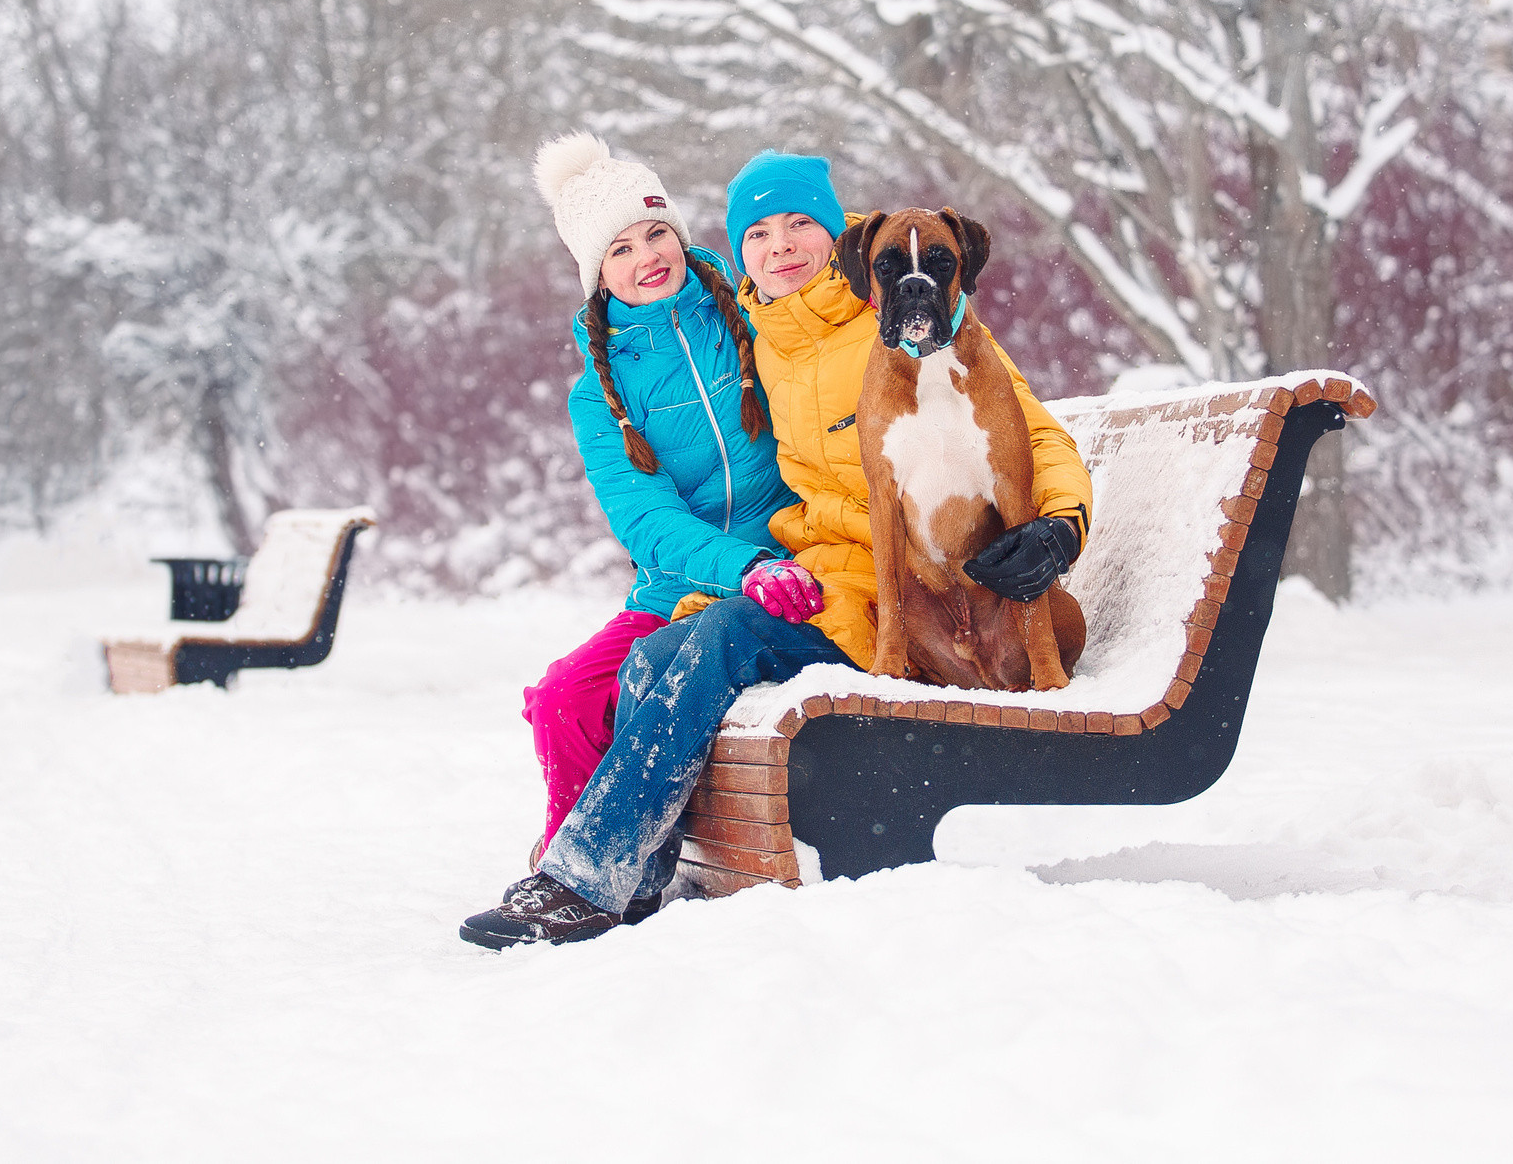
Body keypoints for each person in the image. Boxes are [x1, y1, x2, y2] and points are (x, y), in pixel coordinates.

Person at [460, 152, 1092, 949]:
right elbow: (650, 503)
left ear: (842, 236)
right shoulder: (760, 331)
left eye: (801, 223)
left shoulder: (899, 309)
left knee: (722, 640)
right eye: (757, 232)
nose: (782, 245)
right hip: (819, 571)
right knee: (652, 658)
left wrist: (1062, 519)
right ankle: (631, 875)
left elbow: (1025, 425)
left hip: (900, 595)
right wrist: (754, 566)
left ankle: (582, 878)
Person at [517, 132, 806, 901]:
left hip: (790, 567)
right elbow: (645, 518)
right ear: (597, 275)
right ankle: (577, 863)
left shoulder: (749, 316)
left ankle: (594, 871)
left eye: (657, 233)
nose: (648, 256)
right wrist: (741, 565)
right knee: (563, 697)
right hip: (683, 585)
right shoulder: (599, 395)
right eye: (621, 249)